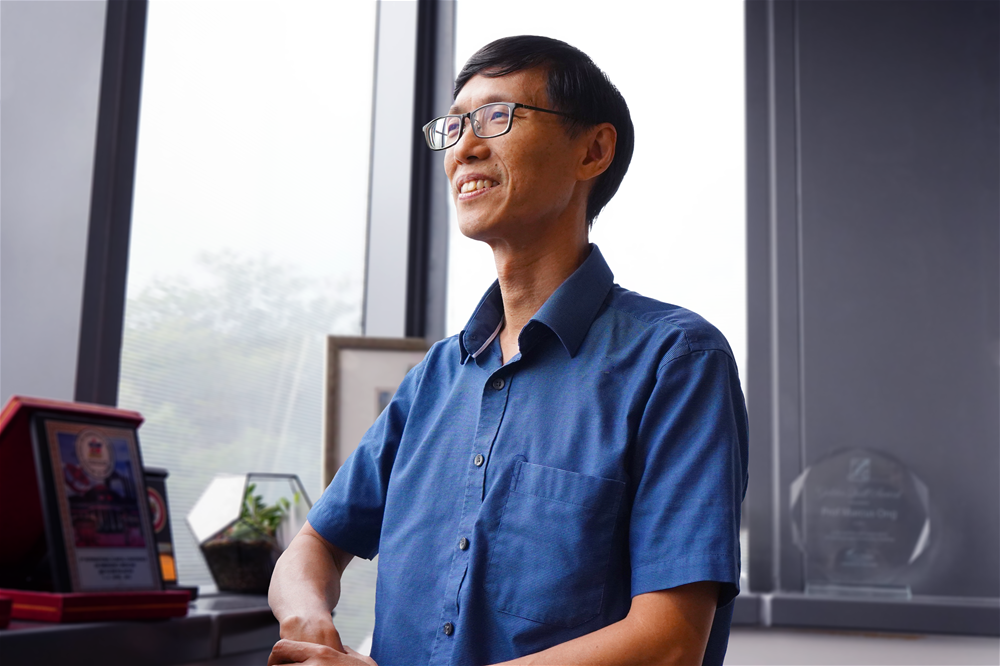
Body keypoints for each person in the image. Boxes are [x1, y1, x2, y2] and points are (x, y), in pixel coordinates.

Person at [268, 35, 748, 666]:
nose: (463, 147)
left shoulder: (677, 362)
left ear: (593, 149)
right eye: (454, 126)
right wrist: (309, 618)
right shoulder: (435, 378)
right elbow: (311, 547)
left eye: (497, 117)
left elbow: (669, 643)